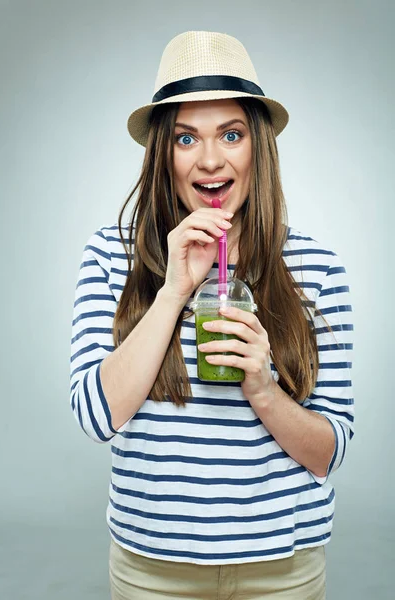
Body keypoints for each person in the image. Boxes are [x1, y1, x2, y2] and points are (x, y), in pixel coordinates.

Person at [69, 31, 354, 600]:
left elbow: (331, 449)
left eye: (231, 134)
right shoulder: (110, 255)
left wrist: (264, 387)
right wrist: (174, 290)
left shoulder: (316, 267)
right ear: (163, 153)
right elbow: (95, 416)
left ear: (258, 146)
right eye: (185, 138)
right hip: (152, 568)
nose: (210, 160)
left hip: (283, 568)